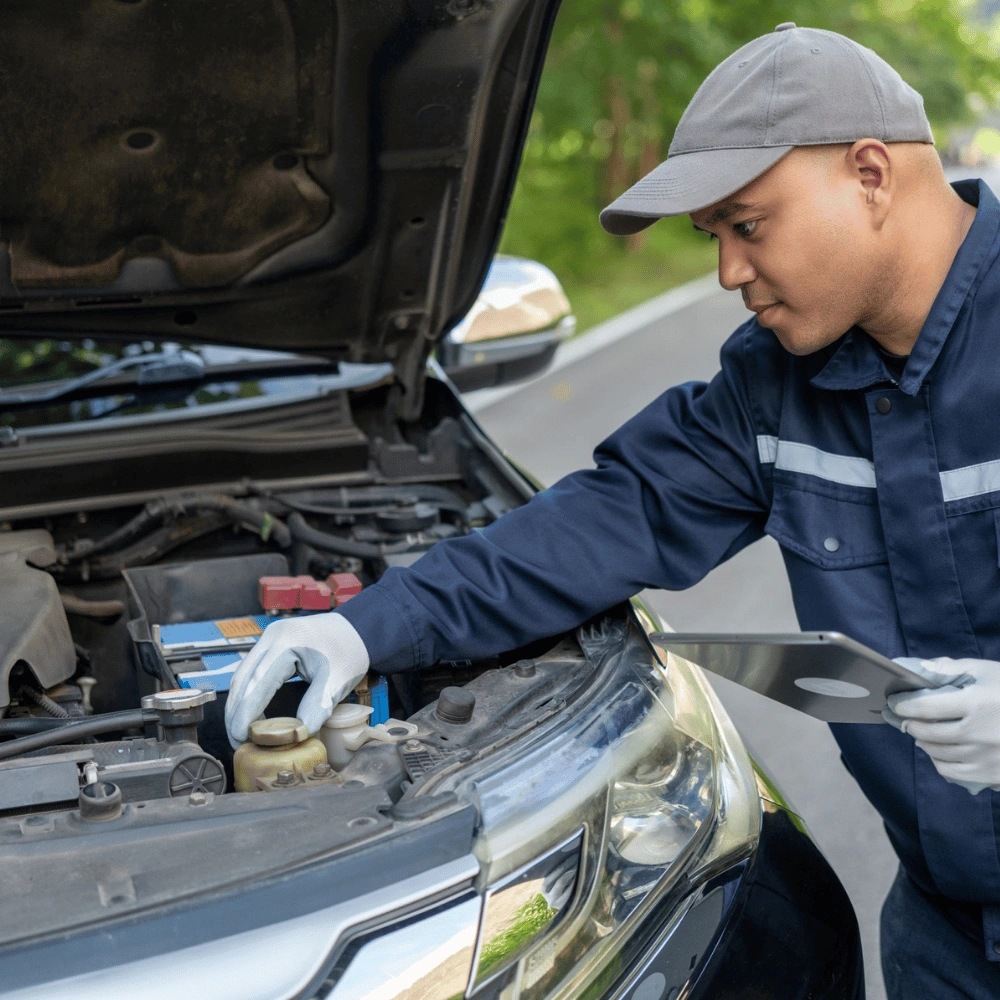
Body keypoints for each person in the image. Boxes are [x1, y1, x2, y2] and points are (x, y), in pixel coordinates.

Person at [226, 24, 1000, 999]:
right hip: (943, 935)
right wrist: (362, 627)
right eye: (709, 236)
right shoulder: (774, 389)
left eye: (746, 224)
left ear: (871, 175)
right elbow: (600, 521)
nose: (726, 271)